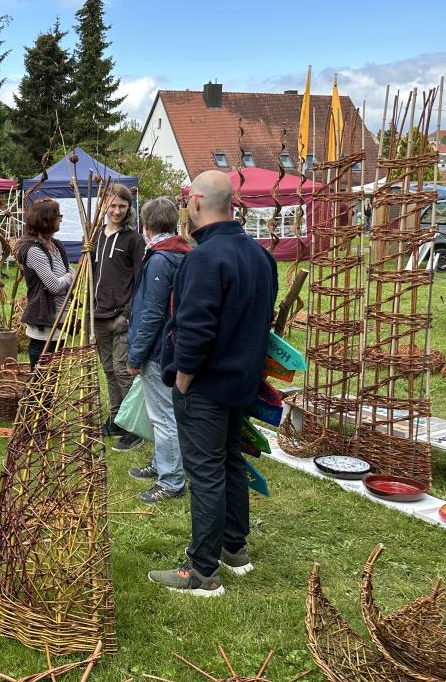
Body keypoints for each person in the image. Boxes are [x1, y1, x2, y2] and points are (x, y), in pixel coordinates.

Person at [148, 170, 278, 597]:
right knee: (229, 462)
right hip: (240, 384)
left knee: (205, 474)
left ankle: (202, 571)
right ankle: (233, 548)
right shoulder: (261, 257)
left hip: (204, 386)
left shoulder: (204, 258)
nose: (185, 205)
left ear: (199, 201)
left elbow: (195, 330)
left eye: (187, 198)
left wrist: (183, 381)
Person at [126, 197, 192, 502]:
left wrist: (136, 354)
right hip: (174, 346)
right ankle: (162, 463)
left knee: (164, 416)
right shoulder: (181, 252)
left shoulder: (160, 259)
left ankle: (172, 480)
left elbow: (152, 313)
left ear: (145, 226)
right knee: (162, 413)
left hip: (158, 350)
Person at [91, 183, 145, 452]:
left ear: (128, 208)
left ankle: (134, 428)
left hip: (121, 317)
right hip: (98, 315)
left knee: (125, 372)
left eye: (122, 206)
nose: (116, 211)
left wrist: (127, 313)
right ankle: (116, 419)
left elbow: (140, 280)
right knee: (109, 371)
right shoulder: (96, 236)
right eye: (112, 205)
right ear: (104, 205)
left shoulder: (134, 239)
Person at [16, 198, 73, 368]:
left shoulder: (56, 245)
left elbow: (72, 270)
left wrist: (68, 276)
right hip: (45, 315)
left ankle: (48, 396)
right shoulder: (33, 250)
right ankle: (38, 396)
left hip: (61, 314)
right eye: (58, 215)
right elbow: (54, 285)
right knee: (41, 375)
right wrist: (68, 278)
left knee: (53, 371)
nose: (61, 218)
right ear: (46, 219)